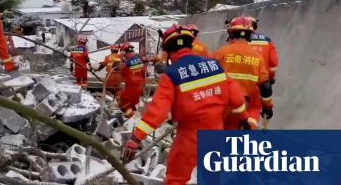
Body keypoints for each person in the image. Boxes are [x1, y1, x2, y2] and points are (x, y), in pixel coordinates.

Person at [122, 24, 255, 184]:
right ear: (191, 44)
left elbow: (157, 113)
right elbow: (236, 99)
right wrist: (244, 117)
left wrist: (135, 138)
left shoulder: (171, 75)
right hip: (215, 132)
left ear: (168, 51)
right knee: (212, 176)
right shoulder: (215, 66)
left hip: (189, 136)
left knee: (176, 179)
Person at [212, 16, 274, 130]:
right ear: (250, 35)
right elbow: (265, 86)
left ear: (231, 33)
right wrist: (268, 106)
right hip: (242, 105)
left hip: (219, 104)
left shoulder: (219, 54)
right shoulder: (258, 58)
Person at [245, 16, 278, 85]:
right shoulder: (267, 41)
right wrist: (271, 77)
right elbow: (273, 61)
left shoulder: (238, 41)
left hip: (244, 82)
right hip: (262, 80)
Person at [117, 43, 147, 118]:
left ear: (125, 52)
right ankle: (136, 117)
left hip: (130, 88)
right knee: (132, 105)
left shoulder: (126, 64)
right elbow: (144, 73)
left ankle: (131, 119)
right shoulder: (139, 61)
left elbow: (117, 67)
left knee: (123, 103)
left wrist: (120, 55)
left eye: (124, 54)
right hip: (139, 88)